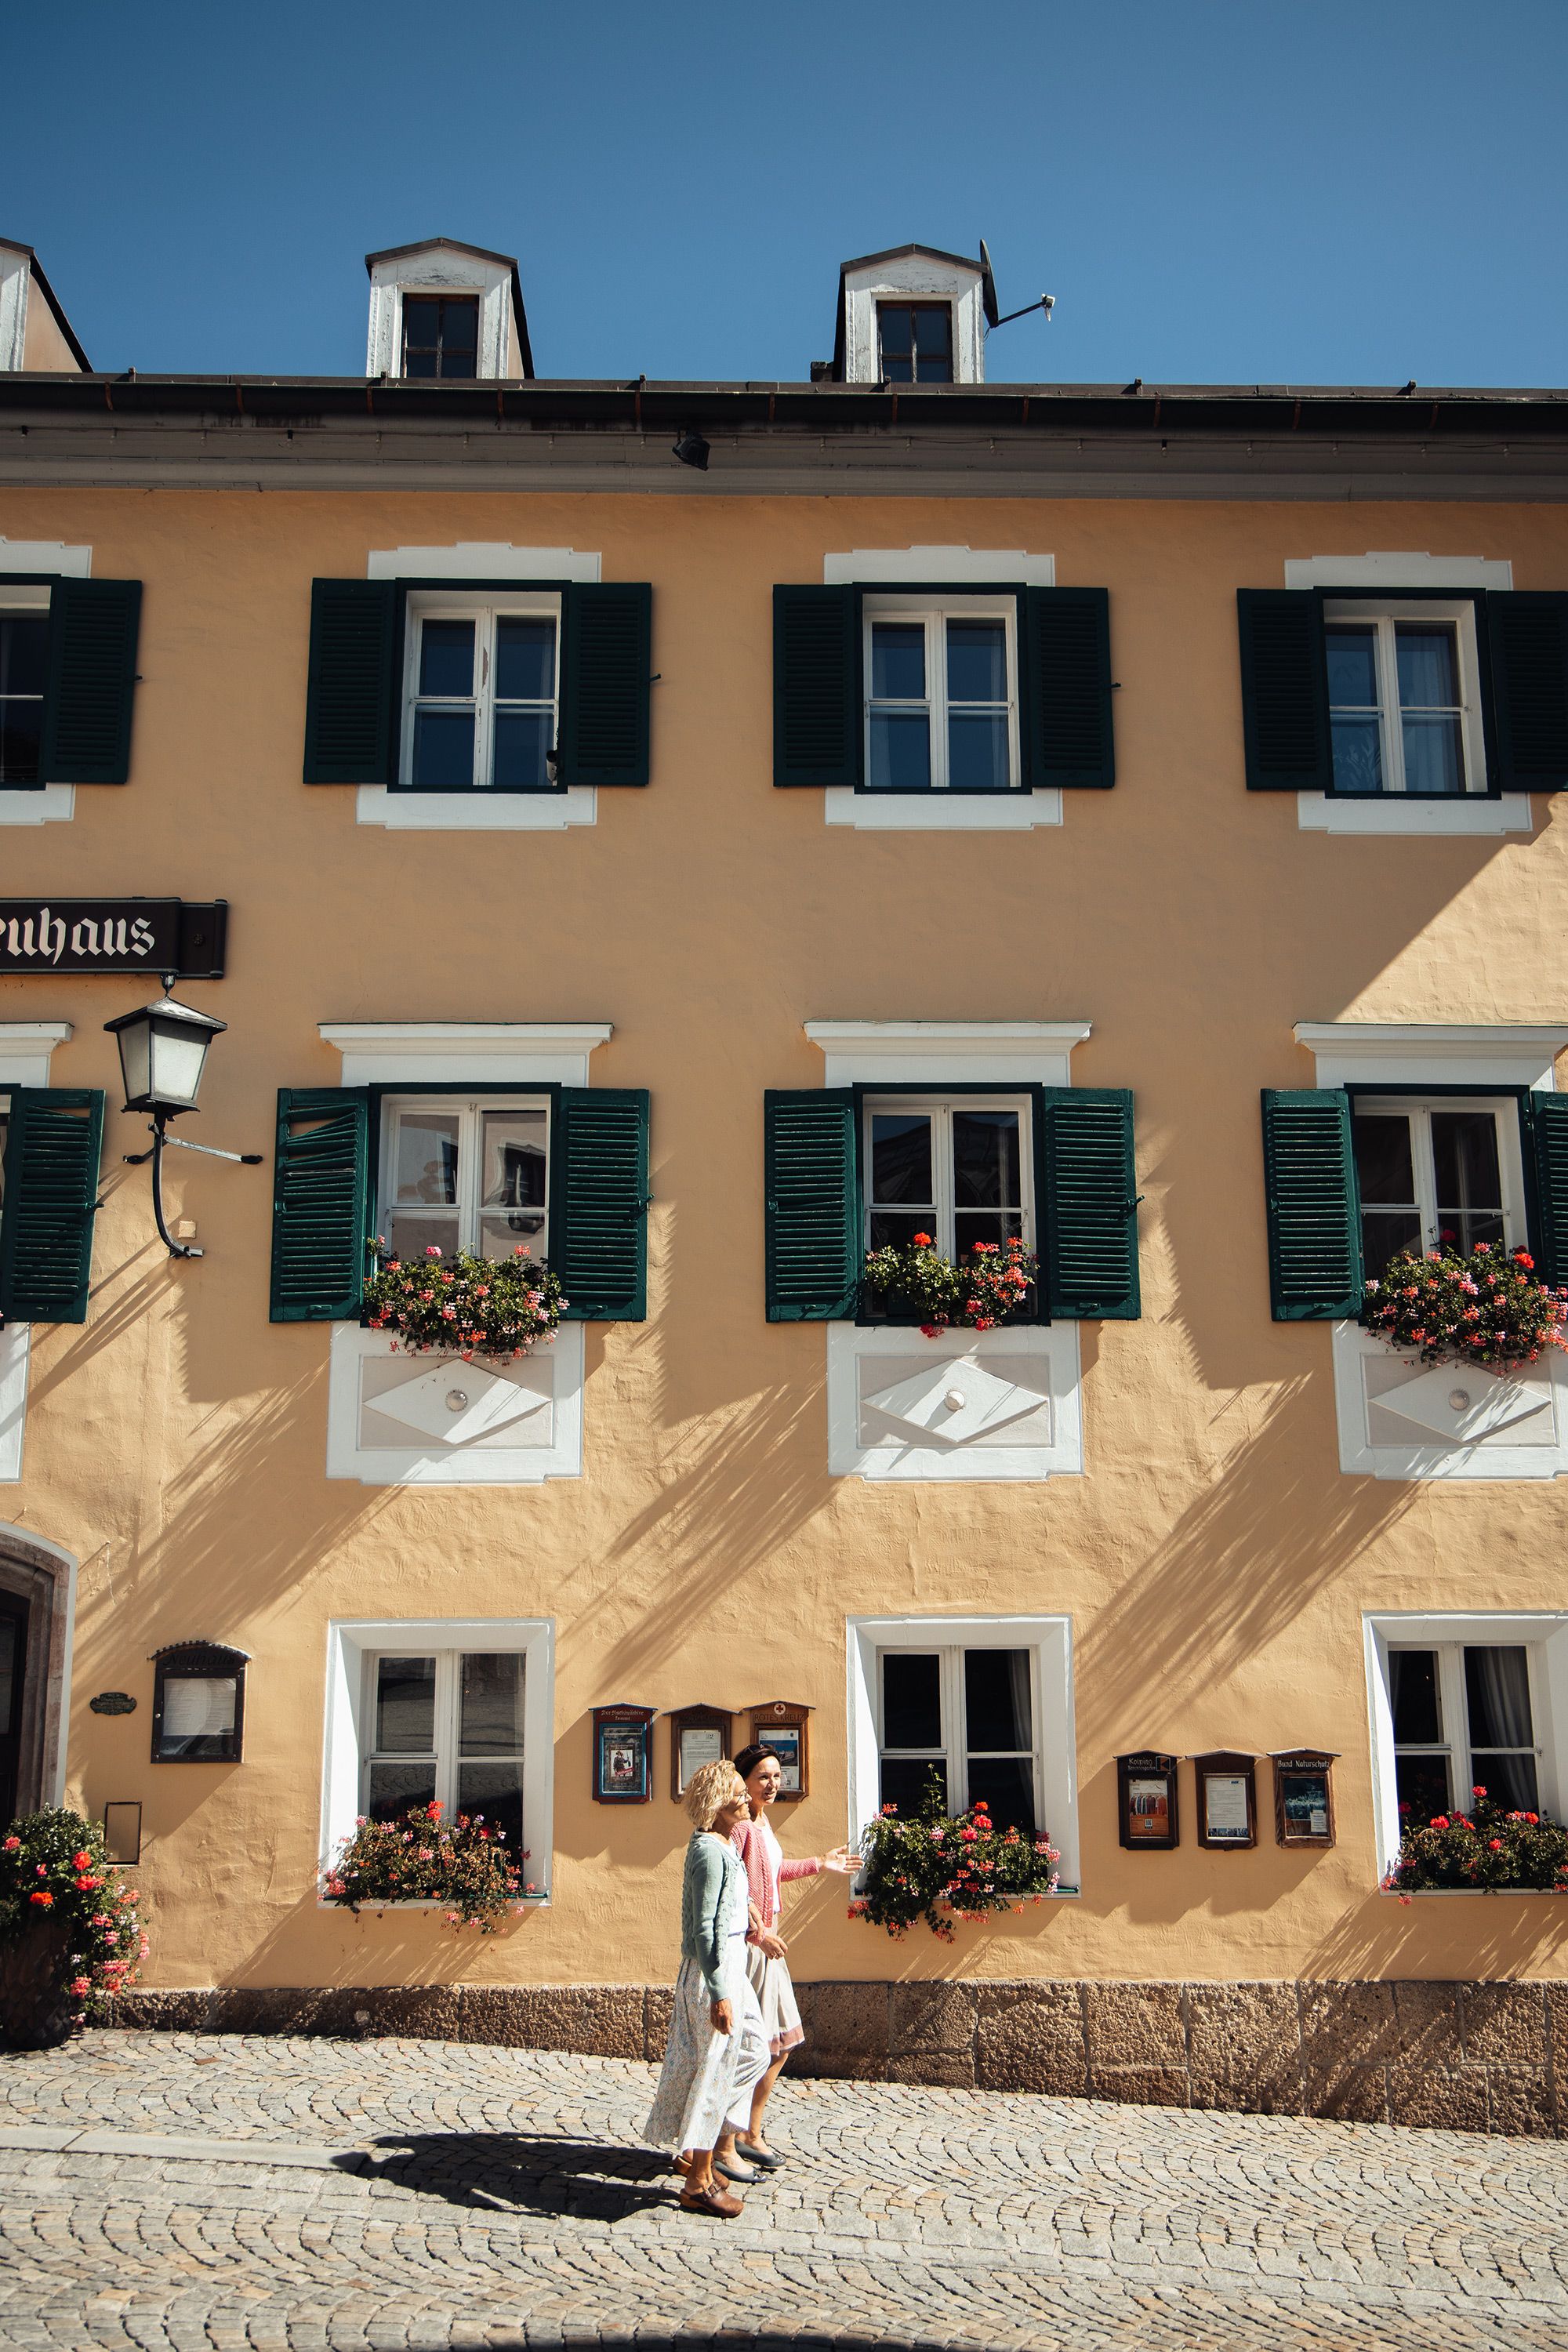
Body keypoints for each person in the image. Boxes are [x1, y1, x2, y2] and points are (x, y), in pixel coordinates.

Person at [643, 1758, 772, 2218]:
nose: (746, 1797)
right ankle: (698, 2181)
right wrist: (719, 1992)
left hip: (731, 1966)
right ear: (717, 1802)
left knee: (754, 2051)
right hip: (713, 1972)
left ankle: (699, 2143)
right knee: (713, 2071)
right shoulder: (708, 1852)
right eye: (737, 1792)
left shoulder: (724, 1844)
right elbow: (704, 1929)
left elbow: (727, 1906)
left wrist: (751, 1914)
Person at [728, 1741, 857, 2170]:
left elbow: (771, 1873)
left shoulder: (761, 1821)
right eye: (762, 1777)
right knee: (758, 2045)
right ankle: (732, 2138)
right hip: (753, 1946)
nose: (771, 1784)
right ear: (743, 1781)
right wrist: (758, 1932)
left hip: (770, 1941)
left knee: (781, 2042)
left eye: (776, 1776)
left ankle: (748, 2132)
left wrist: (820, 1863)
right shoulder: (739, 1827)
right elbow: (735, 1889)